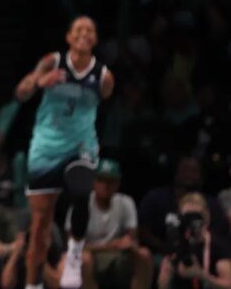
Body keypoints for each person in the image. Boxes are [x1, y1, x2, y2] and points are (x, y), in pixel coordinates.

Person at [14, 15, 115, 289]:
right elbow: (21, 93)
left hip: (80, 147)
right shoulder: (52, 61)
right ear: (69, 37)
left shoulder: (104, 77)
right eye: (79, 29)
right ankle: (33, 284)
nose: (84, 33)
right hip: (46, 149)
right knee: (40, 228)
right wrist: (39, 80)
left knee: (81, 192)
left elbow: (103, 100)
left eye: (90, 30)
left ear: (95, 39)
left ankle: (74, 254)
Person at [65, 159, 152, 289]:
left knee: (144, 254)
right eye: (101, 180)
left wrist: (127, 243)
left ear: (118, 184)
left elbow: (132, 240)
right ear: (93, 182)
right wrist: (108, 245)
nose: (105, 185)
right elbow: (72, 246)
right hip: (91, 255)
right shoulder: (81, 204)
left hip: (117, 257)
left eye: (111, 181)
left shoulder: (125, 202)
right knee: (84, 259)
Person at [157, 193, 231, 289]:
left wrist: (201, 275)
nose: (193, 222)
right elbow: (162, 285)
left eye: (196, 216)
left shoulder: (218, 246)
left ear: (206, 217)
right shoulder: (176, 245)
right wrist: (166, 277)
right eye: (187, 217)